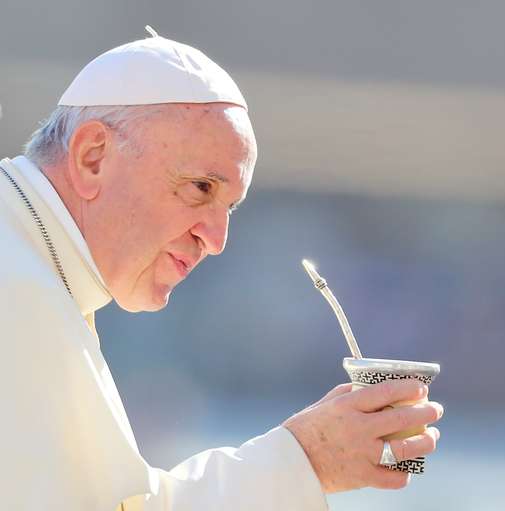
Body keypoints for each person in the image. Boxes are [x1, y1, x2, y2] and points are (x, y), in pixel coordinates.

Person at [0, 30, 443, 510]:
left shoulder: (35, 269)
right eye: (200, 187)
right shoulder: (16, 289)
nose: (215, 240)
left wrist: (304, 461)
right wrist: (304, 461)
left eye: (229, 207)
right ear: (93, 158)